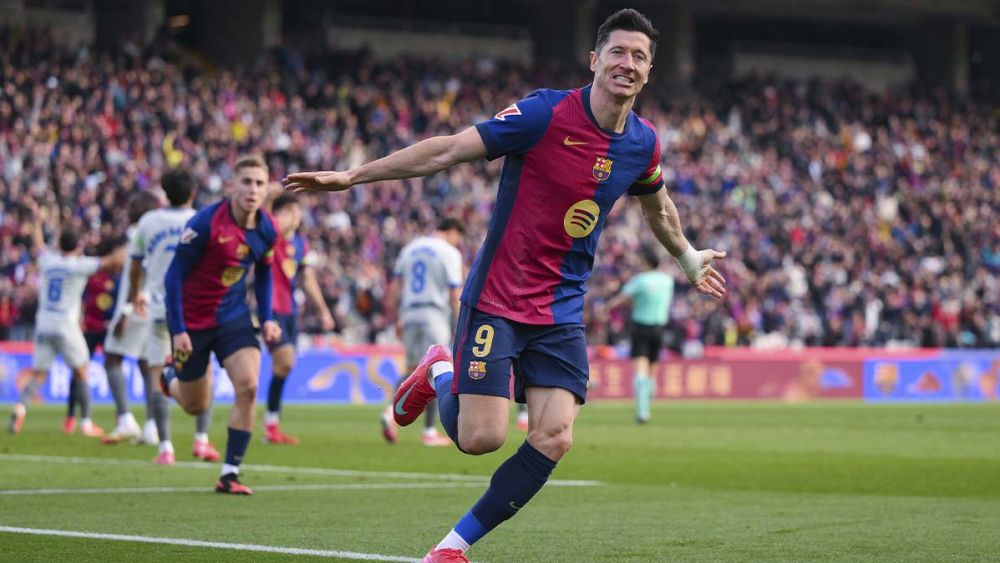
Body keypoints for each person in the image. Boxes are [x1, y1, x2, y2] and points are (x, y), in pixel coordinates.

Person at [284, 9, 726, 561]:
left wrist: (685, 256)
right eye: (617, 52)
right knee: (480, 439)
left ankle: (451, 547)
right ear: (594, 60)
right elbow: (446, 149)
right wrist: (352, 176)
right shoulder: (544, 113)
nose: (627, 64)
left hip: (562, 309)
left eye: (639, 56)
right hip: (498, 297)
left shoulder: (643, 144)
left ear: (649, 70)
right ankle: (439, 369)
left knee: (555, 437)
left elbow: (657, 207)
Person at [162, 155, 281, 494]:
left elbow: (265, 273)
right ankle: (168, 376)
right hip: (193, 322)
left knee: (249, 386)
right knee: (195, 405)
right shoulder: (204, 223)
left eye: (259, 183)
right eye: (246, 182)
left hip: (233, 318)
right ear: (232, 185)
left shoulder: (266, 227)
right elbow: (173, 277)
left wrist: (268, 317)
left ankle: (229, 472)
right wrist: (178, 328)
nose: (253, 190)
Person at [116, 168, 221, 466]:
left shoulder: (148, 222)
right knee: (204, 373)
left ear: (164, 194)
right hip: (195, 309)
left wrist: (137, 292)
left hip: (160, 308)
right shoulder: (203, 220)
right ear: (191, 193)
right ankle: (201, 440)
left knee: (156, 375)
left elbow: (135, 264)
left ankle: (165, 448)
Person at [8, 203, 125, 436]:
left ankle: (21, 408)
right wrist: (131, 243)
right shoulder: (79, 265)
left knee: (39, 373)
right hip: (65, 324)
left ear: (59, 244)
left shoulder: (48, 262)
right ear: (78, 246)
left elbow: (39, 246)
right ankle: (86, 422)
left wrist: (39, 221)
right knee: (81, 370)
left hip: (43, 323)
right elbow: (111, 263)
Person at [381, 218, 464, 447]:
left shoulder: (409, 249)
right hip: (434, 314)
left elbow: (396, 287)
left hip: (409, 313)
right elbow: (454, 290)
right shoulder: (449, 252)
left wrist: (396, 316)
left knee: (411, 370)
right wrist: (460, 323)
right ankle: (429, 432)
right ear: (452, 231)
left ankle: (390, 411)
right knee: (438, 368)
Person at [263, 192, 335, 445]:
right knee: (285, 361)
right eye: (290, 211)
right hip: (270, 308)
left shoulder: (301, 243)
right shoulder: (268, 237)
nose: (296, 216)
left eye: (297, 211)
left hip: (291, 311)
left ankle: (272, 423)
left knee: (285, 365)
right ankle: (269, 424)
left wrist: (323, 310)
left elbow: (307, 278)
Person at [99, 191, 159, 444]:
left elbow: (141, 271)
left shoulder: (140, 233)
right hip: (152, 307)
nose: (129, 209)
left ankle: (125, 420)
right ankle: (152, 426)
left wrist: (126, 310)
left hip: (134, 308)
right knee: (147, 367)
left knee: (111, 358)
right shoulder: (155, 232)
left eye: (133, 204)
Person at [605, 248, 675, 423]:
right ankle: (648, 402)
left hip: (641, 328)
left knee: (640, 371)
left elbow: (621, 299)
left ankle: (643, 411)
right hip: (660, 328)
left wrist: (606, 308)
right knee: (652, 372)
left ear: (646, 262)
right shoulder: (667, 281)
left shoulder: (639, 280)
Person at [71, 239, 123, 435]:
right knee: (86, 369)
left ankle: (120, 415)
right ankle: (119, 415)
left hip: (101, 329)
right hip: (96, 329)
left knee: (86, 369)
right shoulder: (95, 277)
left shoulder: (110, 278)